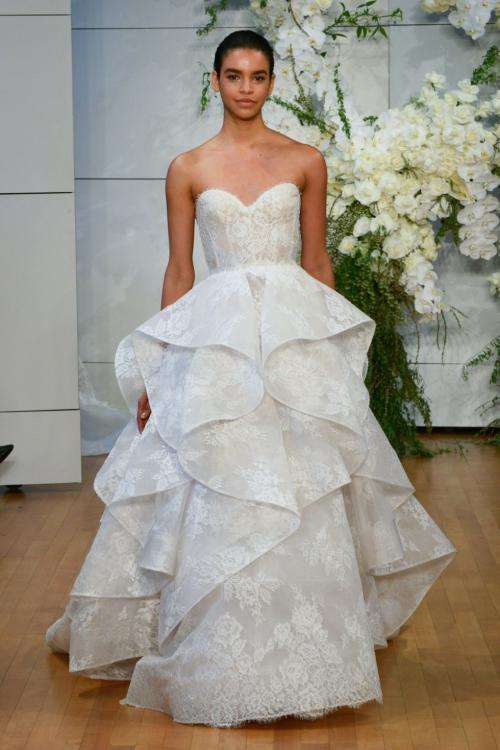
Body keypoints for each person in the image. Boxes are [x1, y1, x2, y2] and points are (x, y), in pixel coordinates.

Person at [45, 29, 456, 728]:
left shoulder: (305, 160)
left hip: (293, 335)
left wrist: (335, 359)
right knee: (217, 476)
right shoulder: (187, 167)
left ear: (271, 82)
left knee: (302, 481)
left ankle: (311, 642)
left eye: (258, 76)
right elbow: (181, 270)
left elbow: (318, 262)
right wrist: (159, 370)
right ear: (215, 81)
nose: (245, 87)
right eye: (233, 75)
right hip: (220, 337)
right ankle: (212, 636)